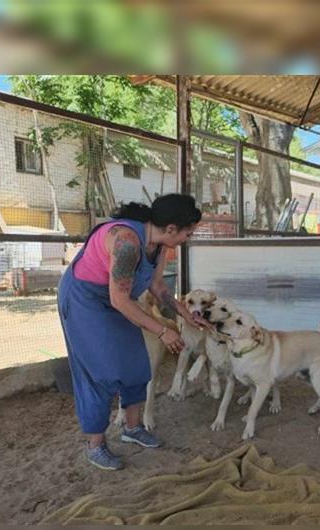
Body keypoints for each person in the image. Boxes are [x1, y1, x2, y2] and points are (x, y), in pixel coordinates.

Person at [58, 194, 210, 470]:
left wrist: (185, 313)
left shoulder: (161, 244)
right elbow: (120, 301)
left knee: (135, 362)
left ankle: (132, 428)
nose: (188, 238)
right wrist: (163, 331)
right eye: (188, 232)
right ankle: (95, 445)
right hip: (85, 300)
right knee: (99, 372)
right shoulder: (127, 243)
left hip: (117, 298)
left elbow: (158, 287)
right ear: (172, 229)